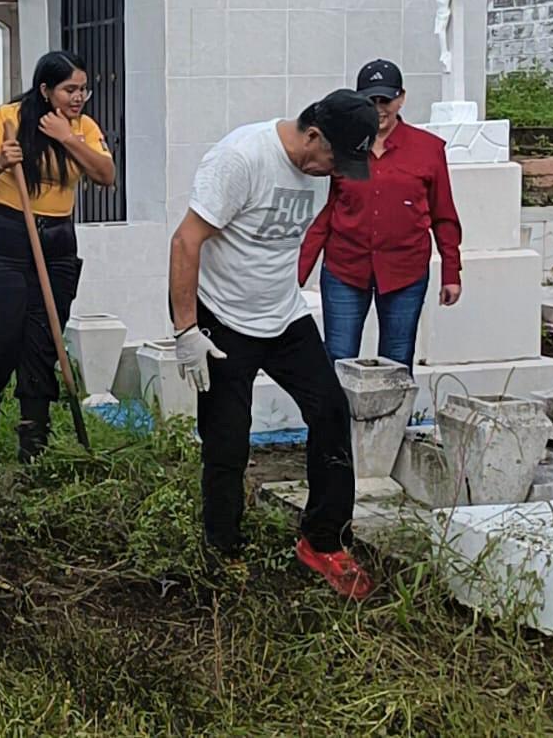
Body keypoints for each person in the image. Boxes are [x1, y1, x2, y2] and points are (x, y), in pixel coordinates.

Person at [168, 89, 379, 600]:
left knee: (330, 411)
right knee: (228, 442)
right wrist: (186, 331)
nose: (336, 172)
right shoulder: (241, 159)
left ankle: (322, 540)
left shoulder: (318, 172)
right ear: (312, 136)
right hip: (222, 318)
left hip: (282, 315)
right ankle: (224, 551)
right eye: (334, 158)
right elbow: (185, 241)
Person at [0, 51, 115, 463]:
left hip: (56, 243)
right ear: (45, 90)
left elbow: (105, 175)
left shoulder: (83, 128)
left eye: (83, 89)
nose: (78, 97)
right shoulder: (6, 119)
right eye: (69, 89)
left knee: (43, 344)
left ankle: (34, 442)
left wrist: (66, 137)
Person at [299, 60, 463, 372]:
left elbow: (444, 215)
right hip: (345, 268)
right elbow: (326, 214)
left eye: (385, 100)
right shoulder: (340, 147)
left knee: (397, 361)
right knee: (337, 355)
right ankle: (337, 422)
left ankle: (392, 423)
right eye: (370, 101)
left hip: (406, 270)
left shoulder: (428, 149)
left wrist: (451, 272)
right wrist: (298, 272)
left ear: (401, 98)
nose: (378, 109)